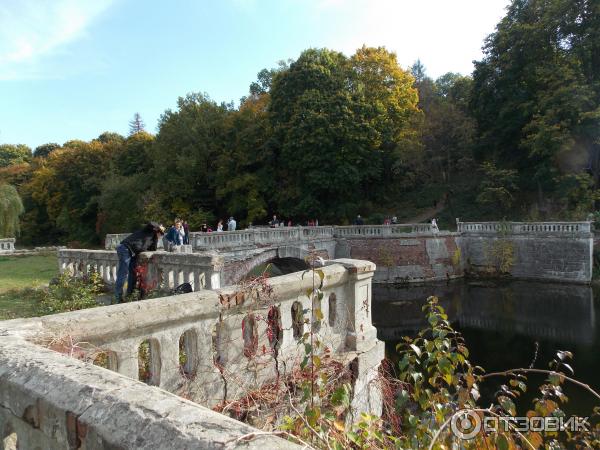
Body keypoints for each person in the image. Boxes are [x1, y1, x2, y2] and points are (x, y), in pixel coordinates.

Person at [114, 222, 165, 304]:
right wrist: (159, 227)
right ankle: (117, 297)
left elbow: (153, 250)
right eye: (160, 234)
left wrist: (155, 240)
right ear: (157, 231)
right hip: (125, 248)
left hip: (132, 253)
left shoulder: (152, 240)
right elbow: (151, 223)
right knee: (123, 273)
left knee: (133, 273)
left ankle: (129, 294)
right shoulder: (148, 230)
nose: (160, 236)